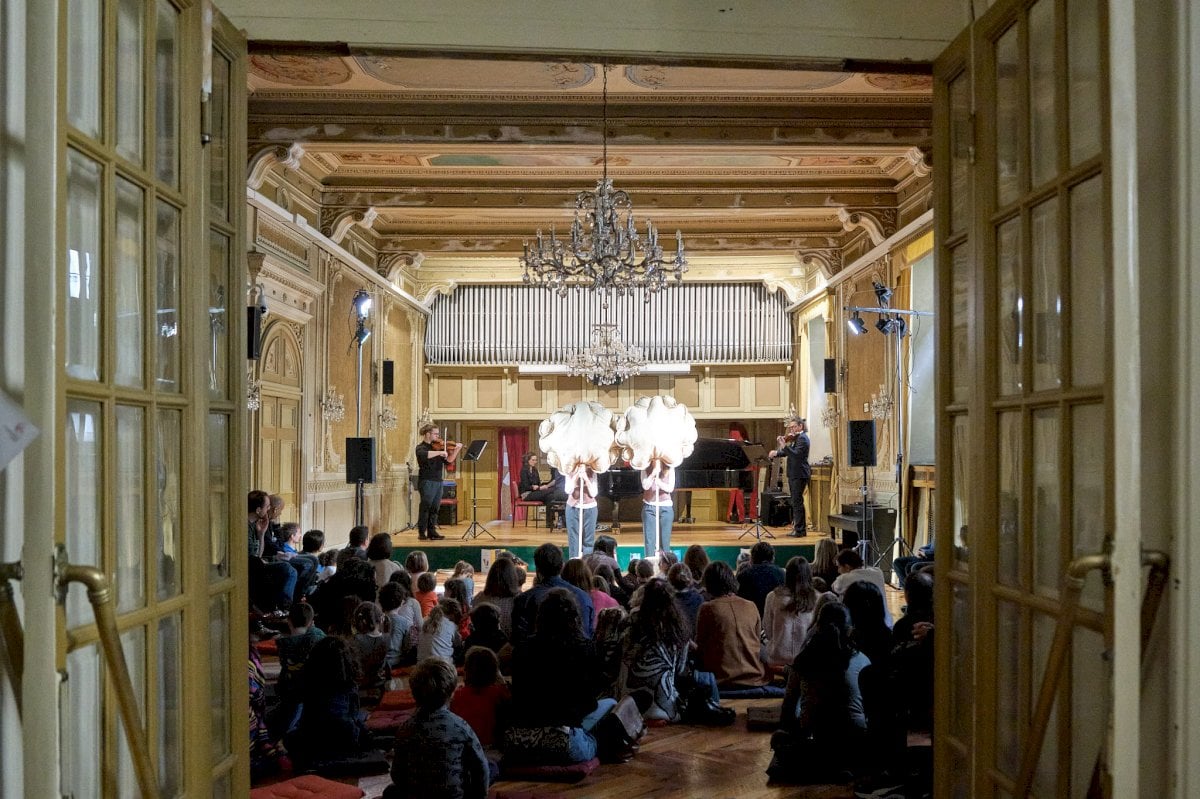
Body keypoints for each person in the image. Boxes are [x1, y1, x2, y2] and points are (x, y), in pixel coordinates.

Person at [508, 588, 614, 764]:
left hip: (523, 740)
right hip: (566, 738)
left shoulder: (522, 648)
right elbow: (589, 701)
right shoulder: (585, 648)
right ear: (575, 617)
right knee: (611, 704)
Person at [769, 601, 869, 783]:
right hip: (857, 737)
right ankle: (844, 766)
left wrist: (792, 729)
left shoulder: (803, 660)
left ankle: (822, 764)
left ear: (817, 626)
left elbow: (789, 708)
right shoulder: (861, 659)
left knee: (780, 740)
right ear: (849, 629)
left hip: (818, 736)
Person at [385, 657, 490, 799]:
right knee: (491, 766)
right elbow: (481, 768)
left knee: (390, 791)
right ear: (451, 692)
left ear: (414, 693)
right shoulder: (460, 726)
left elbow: (397, 774)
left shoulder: (405, 729)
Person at [285, 636, 370, 768]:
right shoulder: (349, 686)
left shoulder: (309, 683)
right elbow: (351, 719)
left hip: (311, 744)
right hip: (344, 743)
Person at [694, 561, 769, 689]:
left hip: (720, 678)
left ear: (708, 584)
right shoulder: (751, 606)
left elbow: (701, 646)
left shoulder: (707, 608)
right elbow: (756, 641)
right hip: (755, 677)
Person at [511, 543, 594, 645]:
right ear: (562, 566)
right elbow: (588, 636)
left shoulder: (523, 600)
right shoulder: (583, 597)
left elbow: (518, 640)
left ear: (537, 569)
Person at [761, 557, 821, 668]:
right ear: (809, 574)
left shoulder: (772, 597)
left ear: (787, 574)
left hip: (777, 658)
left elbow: (768, 630)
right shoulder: (817, 598)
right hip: (805, 660)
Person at [451, 646, 512, 749]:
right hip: (491, 747)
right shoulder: (499, 692)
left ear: (467, 670)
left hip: (465, 747)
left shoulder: (458, 694)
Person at [247, 489, 297, 613]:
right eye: (267, 506)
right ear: (258, 510)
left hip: (257, 563)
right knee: (288, 569)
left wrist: (261, 534)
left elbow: (258, 554)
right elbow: (253, 558)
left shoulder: (257, 524)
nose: (269, 509)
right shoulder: (244, 527)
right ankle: (283, 608)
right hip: (250, 566)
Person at [415, 422, 462, 541]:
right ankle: (421, 532)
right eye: (435, 434)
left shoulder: (438, 447)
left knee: (435, 508)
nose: (437, 436)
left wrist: (457, 450)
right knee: (426, 506)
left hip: (438, 481)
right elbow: (423, 455)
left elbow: (448, 461)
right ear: (428, 434)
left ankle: (432, 531)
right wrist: (440, 452)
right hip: (427, 480)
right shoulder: (421, 447)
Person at [768, 416, 810, 537]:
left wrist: (783, 445)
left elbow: (795, 455)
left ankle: (800, 530)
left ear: (800, 426)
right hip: (794, 474)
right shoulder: (797, 438)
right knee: (796, 502)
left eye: (793, 427)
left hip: (799, 474)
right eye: (790, 427)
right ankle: (799, 529)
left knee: (797, 502)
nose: (791, 429)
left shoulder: (803, 439)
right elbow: (788, 452)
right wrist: (776, 453)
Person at [736, 541, 786, 617]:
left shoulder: (743, 575)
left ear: (752, 558)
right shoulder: (782, 574)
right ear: (772, 558)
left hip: (751, 617)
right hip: (775, 617)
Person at [476, 557, 522, 639]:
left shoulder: (479, 597)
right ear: (513, 577)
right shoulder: (520, 600)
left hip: (481, 643)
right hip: (510, 644)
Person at [641, 459, 676, 557]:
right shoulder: (645, 468)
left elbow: (670, 488)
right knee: (649, 541)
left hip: (665, 508)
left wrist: (659, 483)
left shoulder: (670, 468)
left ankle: (665, 563)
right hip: (649, 507)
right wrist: (653, 474)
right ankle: (649, 564)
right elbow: (645, 486)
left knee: (665, 542)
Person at [564, 463, 599, 559]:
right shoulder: (569, 471)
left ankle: (587, 562)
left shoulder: (593, 472)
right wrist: (576, 476)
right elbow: (568, 490)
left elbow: (593, 493)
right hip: (573, 507)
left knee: (588, 539)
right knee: (574, 538)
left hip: (590, 508)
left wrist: (586, 479)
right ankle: (574, 562)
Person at [418, 598, 464, 664]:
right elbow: (458, 643)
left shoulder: (425, 622)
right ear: (453, 615)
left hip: (422, 665)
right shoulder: (452, 625)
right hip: (443, 666)